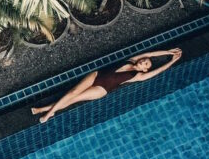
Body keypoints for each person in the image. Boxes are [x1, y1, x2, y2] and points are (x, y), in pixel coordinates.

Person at [31, 48, 183, 123]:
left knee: (73, 99)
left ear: (145, 69)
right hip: (97, 75)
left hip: (101, 89)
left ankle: (45, 111)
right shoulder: (132, 59)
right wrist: (168, 51)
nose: (144, 61)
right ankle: (48, 112)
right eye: (145, 60)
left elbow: (159, 70)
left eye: (146, 64)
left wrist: (172, 61)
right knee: (72, 92)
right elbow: (150, 53)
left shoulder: (139, 76)